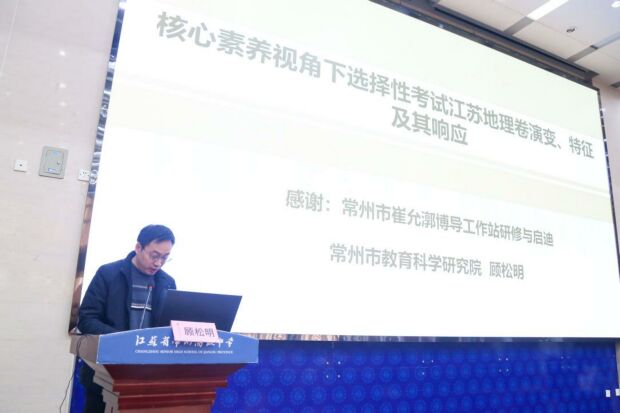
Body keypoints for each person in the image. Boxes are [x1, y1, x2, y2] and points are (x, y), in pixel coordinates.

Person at [77, 224, 177, 413]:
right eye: (154, 255)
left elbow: (170, 327)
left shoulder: (167, 283)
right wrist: (125, 340)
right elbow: (86, 319)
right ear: (138, 247)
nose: (158, 263)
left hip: (147, 378)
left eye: (165, 257)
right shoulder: (108, 274)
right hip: (105, 373)